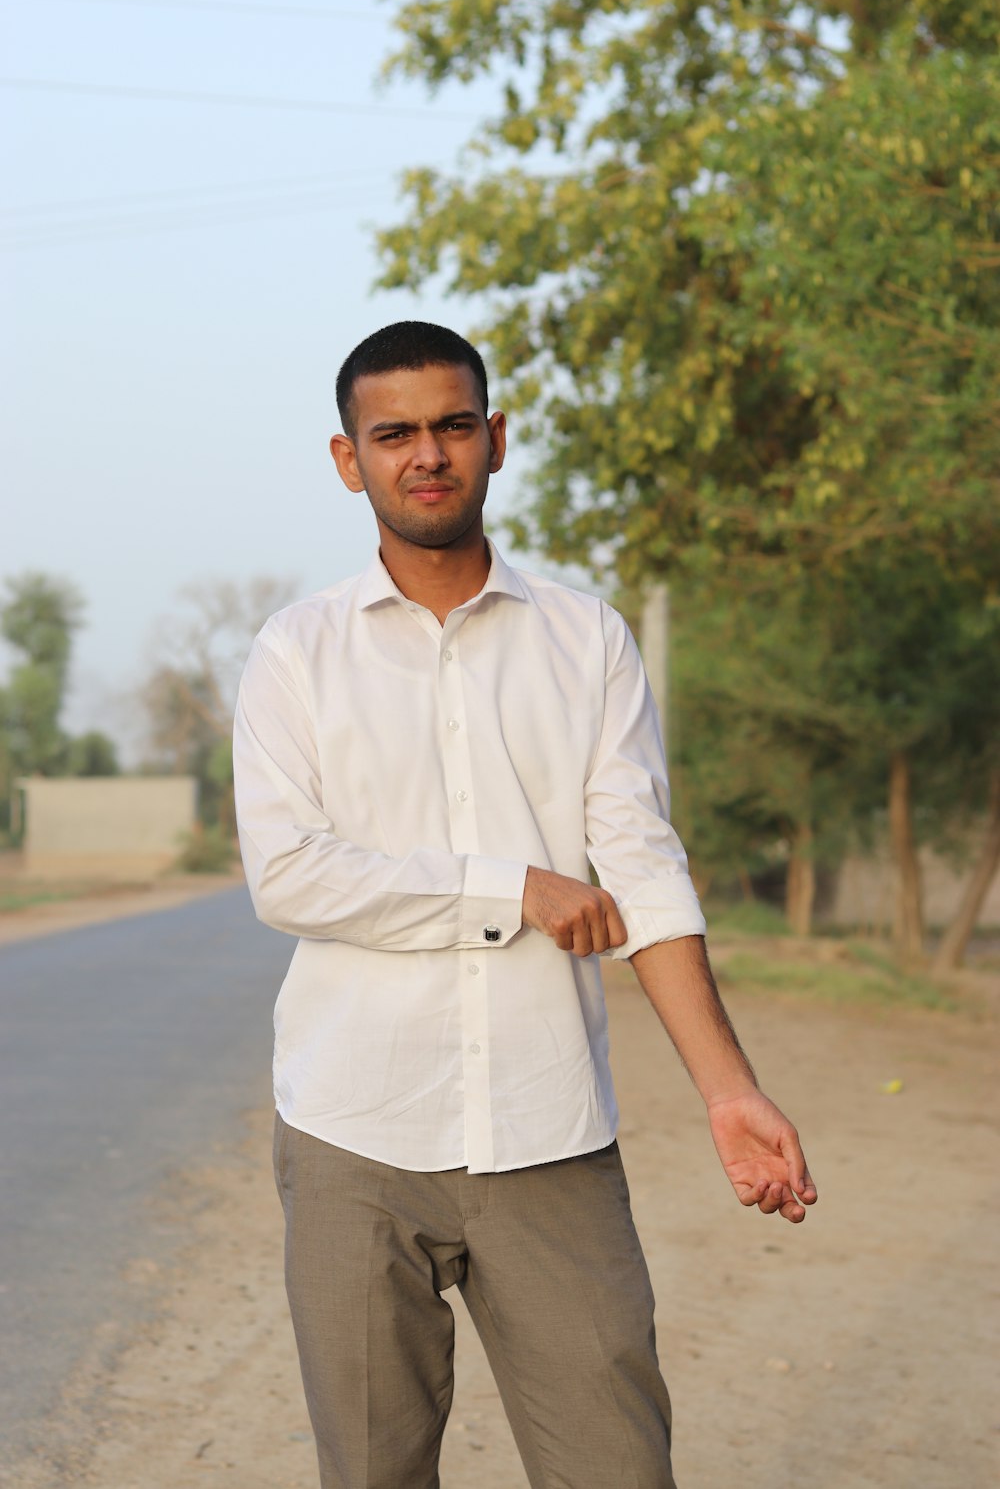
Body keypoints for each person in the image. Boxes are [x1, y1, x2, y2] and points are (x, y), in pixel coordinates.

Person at [233, 320, 817, 1489]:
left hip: (549, 1128)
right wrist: (511, 888)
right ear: (350, 460)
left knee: (616, 1463)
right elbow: (289, 873)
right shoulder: (295, 654)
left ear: (494, 440)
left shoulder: (584, 640)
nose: (427, 455)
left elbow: (644, 868)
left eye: (452, 426)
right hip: (355, 1134)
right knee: (374, 1473)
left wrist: (728, 1090)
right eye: (392, 434)